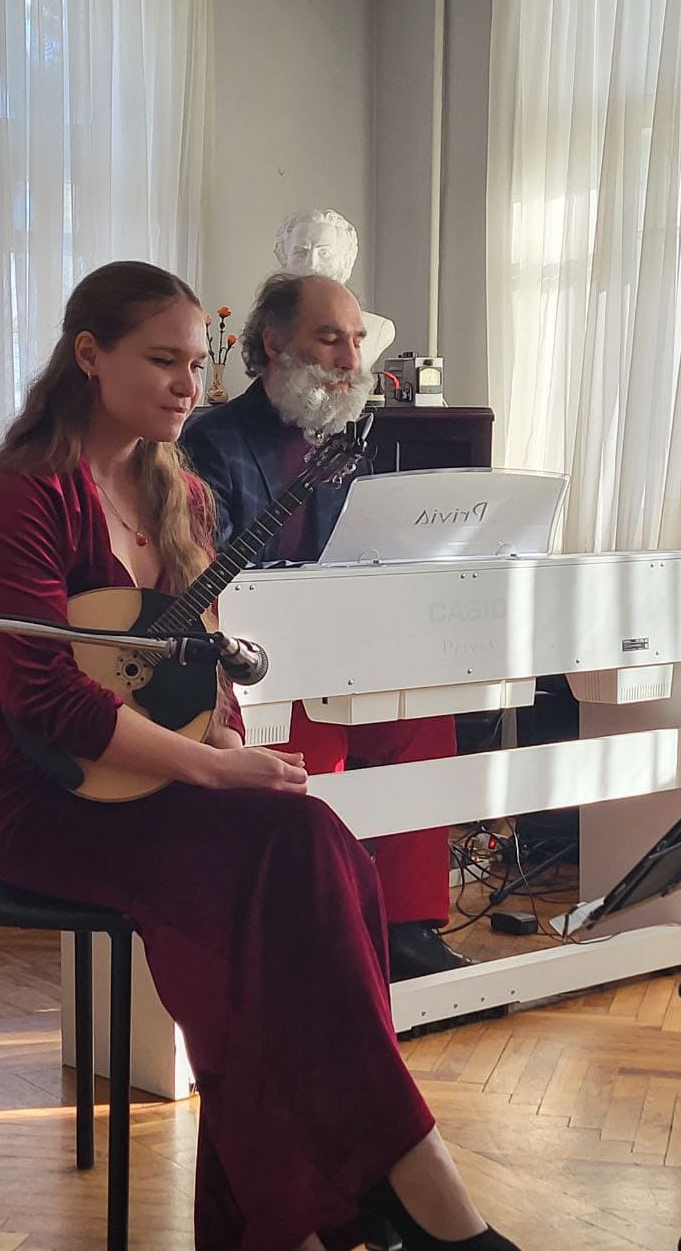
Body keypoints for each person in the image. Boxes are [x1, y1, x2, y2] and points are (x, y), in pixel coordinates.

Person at [0, 260, 519, 1251]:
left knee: (319, 848)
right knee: (277, 863)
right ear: (90, 356)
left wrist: (230, 743)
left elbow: (204, 667)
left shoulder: (178, 491)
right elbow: (46, 698)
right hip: (50, 799)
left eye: (196, 365)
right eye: (162, 361)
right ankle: (400, 1186)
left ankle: (318, 1205)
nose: (188, 386)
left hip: (159, 778)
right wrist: (214, 771)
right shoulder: (25, 496)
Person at [182, 272, 467, 983]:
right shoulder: (212, 439)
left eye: (357, 342)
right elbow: (207, 575)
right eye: (330, 339)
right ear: (275, 344)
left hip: (345, 658)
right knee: (317, 744)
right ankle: (318, 933)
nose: (350, 360)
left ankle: (407, 929)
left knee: (424, 722)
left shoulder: (348, 438)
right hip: (254, 676)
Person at [274, 208, 395, 371]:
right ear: (284, 258)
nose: (312, 263)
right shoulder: (270, 327)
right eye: (300, 252)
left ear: (345, 261)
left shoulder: (378, 328)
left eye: (324, 253)